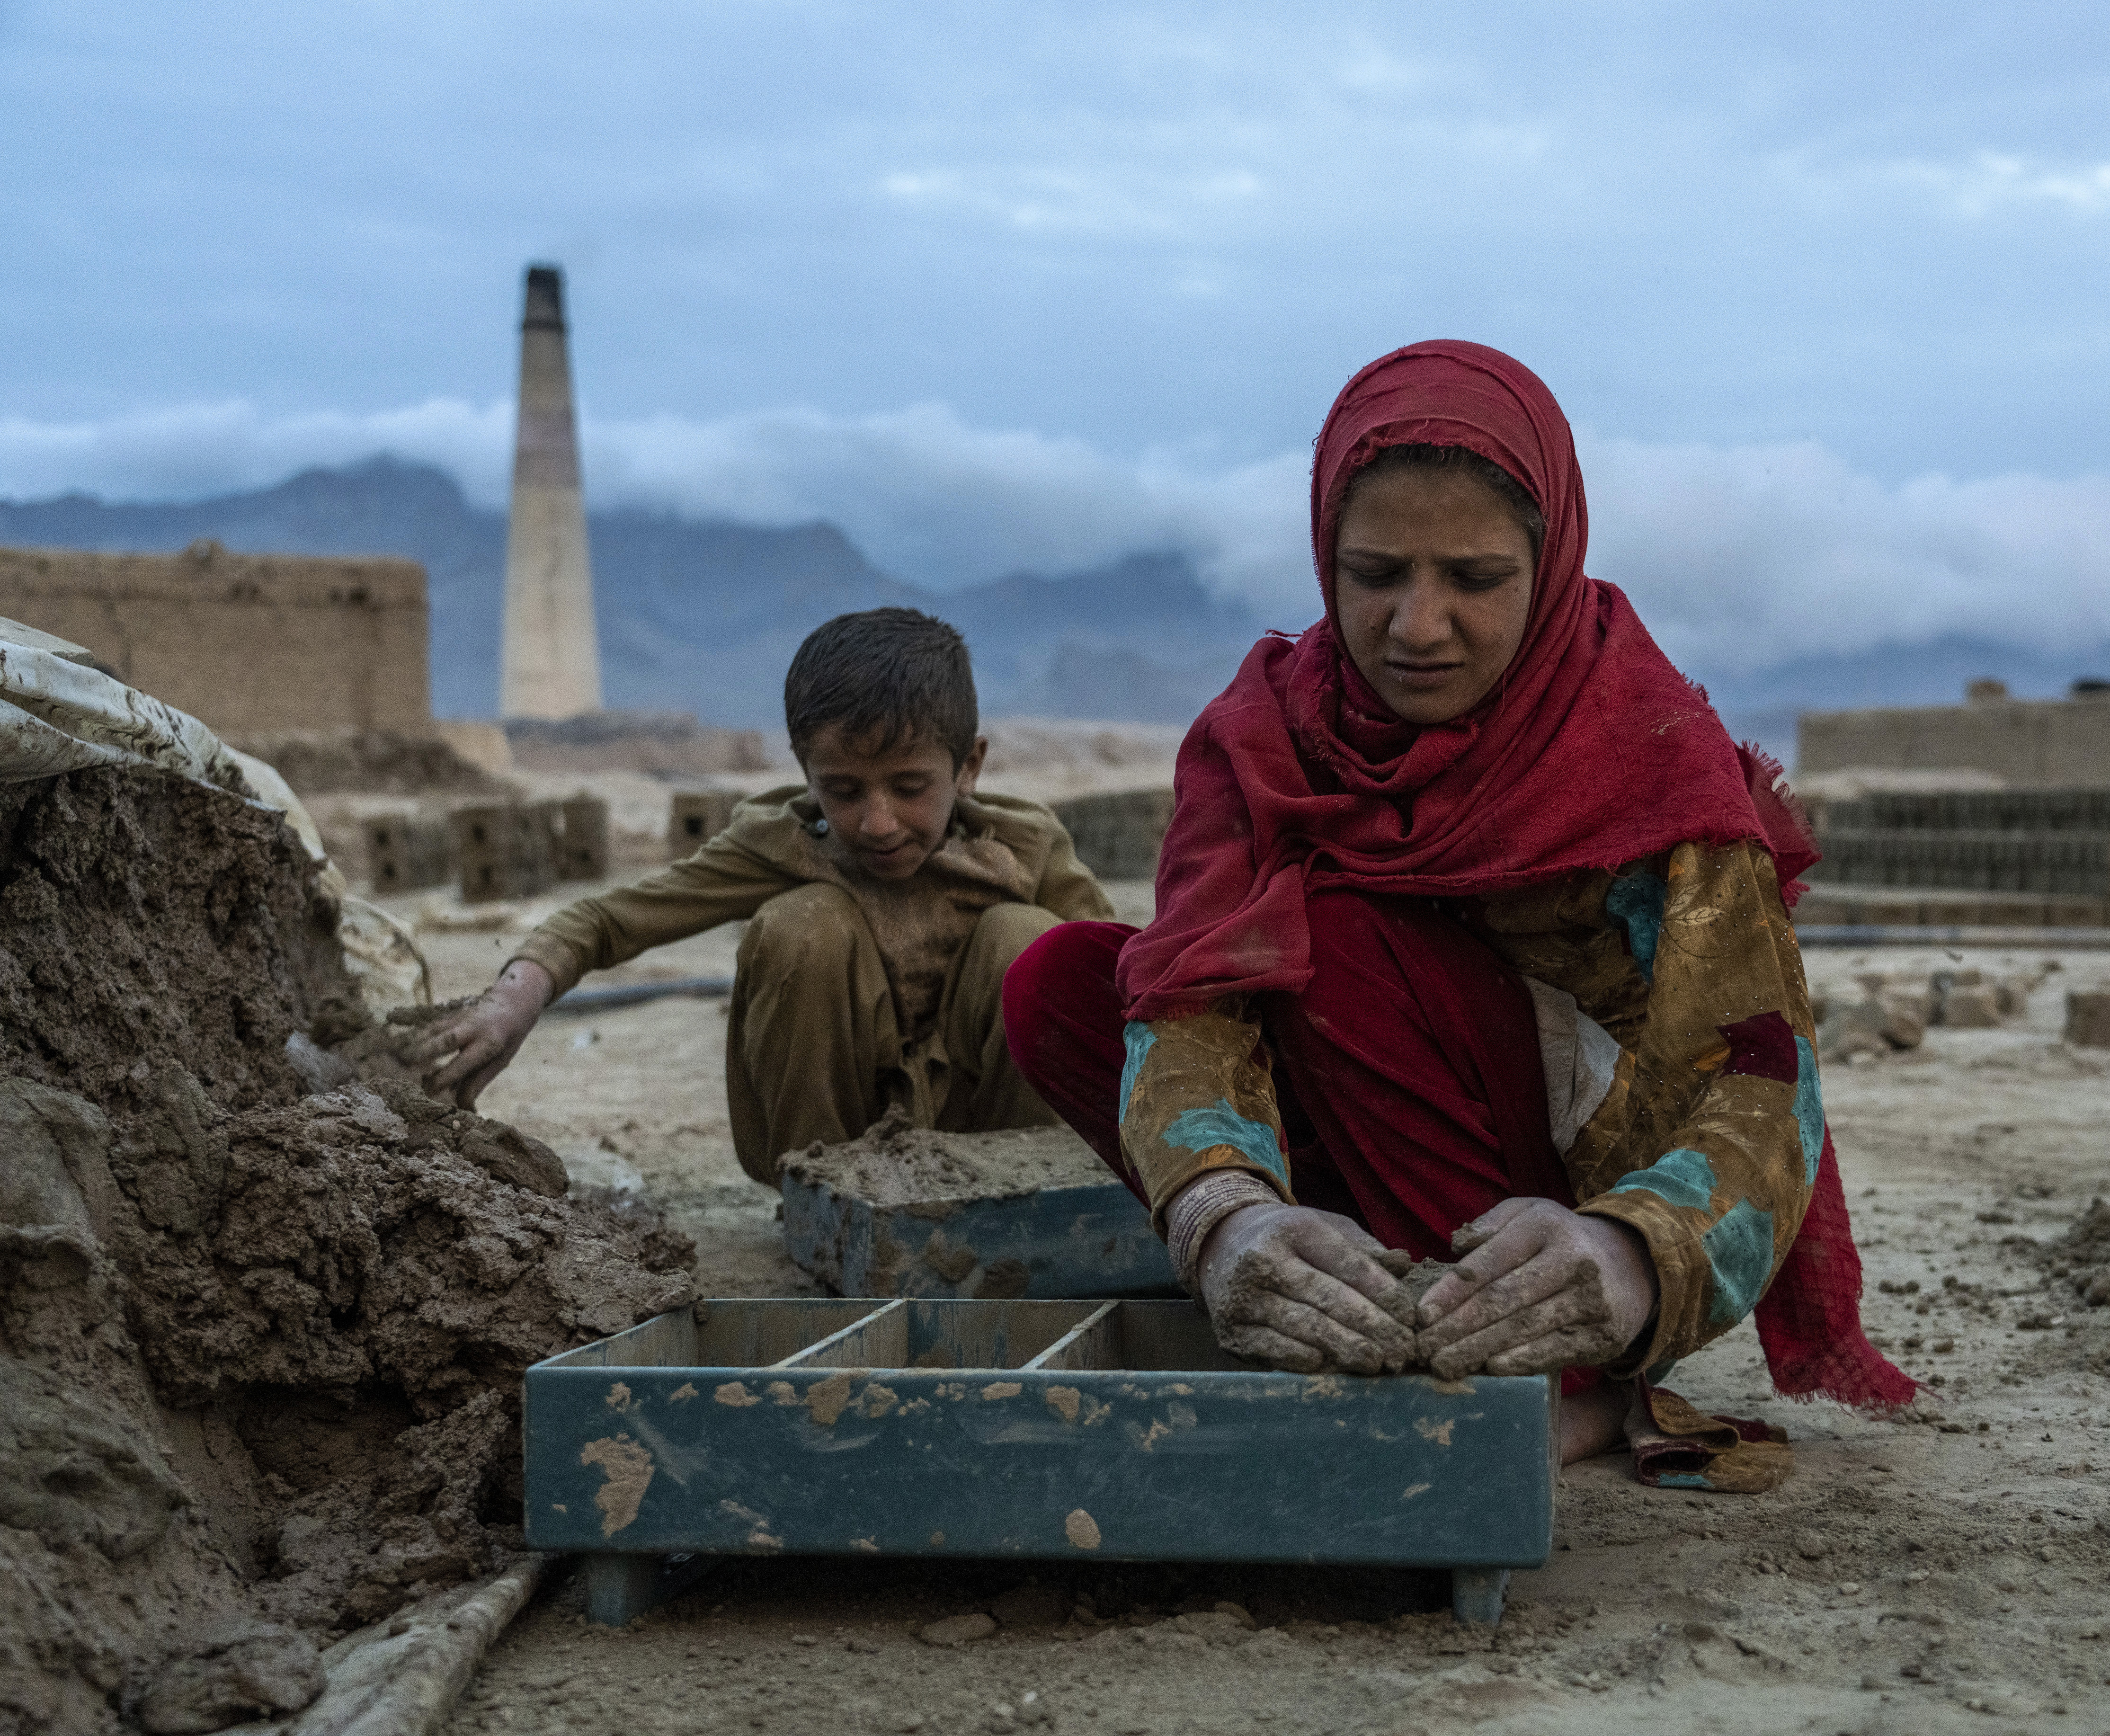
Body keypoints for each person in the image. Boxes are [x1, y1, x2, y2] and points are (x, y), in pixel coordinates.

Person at [1002, 341, 1912, 1473]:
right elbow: (1192, 1005)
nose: (1416, 625)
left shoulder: (1643, 750)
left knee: (1331, 933)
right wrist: (1227, 1216)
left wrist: (1628, 1253)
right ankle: (1341, 1290)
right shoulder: (1266, 733)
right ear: (1324, 557)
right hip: (1355, 1126)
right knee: (1064, 981)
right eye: (1374, 573)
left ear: (1548, 560)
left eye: (1473, 580)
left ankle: (1559, 1380)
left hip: (1564, 1217)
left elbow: (1761, 1082)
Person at [409, 608, 1111, 1183]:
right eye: (843, 790)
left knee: (1033, 942)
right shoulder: (787, 844)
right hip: (834, 1140)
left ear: (969, 767)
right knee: (804, 925)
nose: (878, 823)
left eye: (909, 787)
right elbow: (608, 920)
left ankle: (1021, 1192)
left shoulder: (1023, 846)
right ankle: (825, 1195)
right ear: (807, 774)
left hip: (992, 1146)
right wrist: (514, 999)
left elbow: (1125, 979)